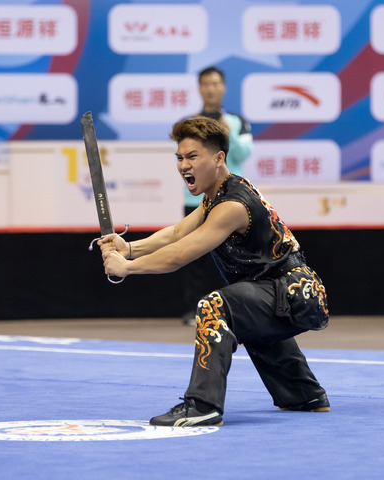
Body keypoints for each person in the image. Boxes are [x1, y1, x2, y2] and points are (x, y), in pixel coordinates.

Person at [98, 117, 330, 427]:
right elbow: (176, 233)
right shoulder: (216, 195)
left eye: (192, 157)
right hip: (283, 294)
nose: (183, 165)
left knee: (215, 307)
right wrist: (128, 248)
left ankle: (202, 405)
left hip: (294, 294)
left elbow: (180, 254)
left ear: (219, 158)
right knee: (246, 311)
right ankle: (304, 395)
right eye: (180, 158)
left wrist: (127, 267)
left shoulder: (232, 206)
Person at [180, 66, 253, 326]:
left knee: (234, 256)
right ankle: (194, 309)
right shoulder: (189, 124)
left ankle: (236, 309)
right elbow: (186, 158)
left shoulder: (237, 121)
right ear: (199, 88)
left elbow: (243, 154)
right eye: (206, 84)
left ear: (223, 87)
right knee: (193, 256)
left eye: (215, 83)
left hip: (231, 199)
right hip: (196, 199)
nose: (211, 89)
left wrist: (227, 131)